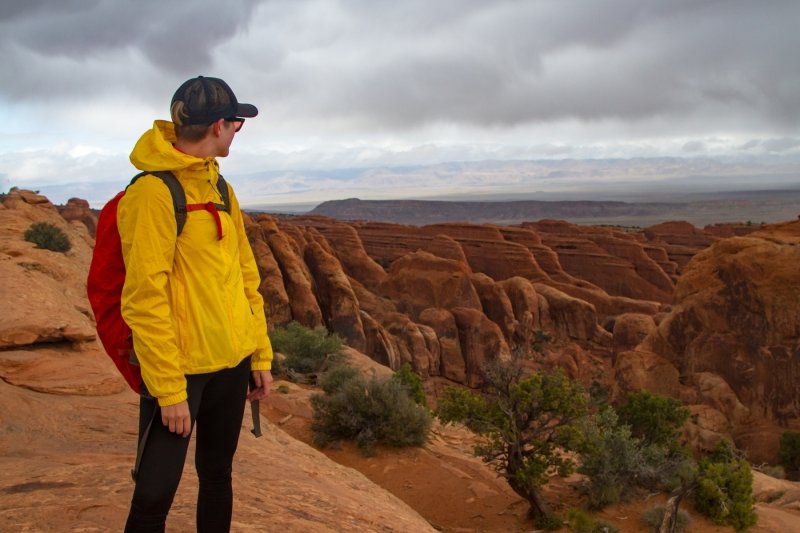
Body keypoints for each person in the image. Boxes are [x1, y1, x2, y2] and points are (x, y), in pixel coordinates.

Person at [119, 76, 273, 532]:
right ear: (219, 126)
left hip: (232, 365)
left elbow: (247, 278)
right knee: (153, 494)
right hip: (181, 371)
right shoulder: (153, 193)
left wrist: (259, 354)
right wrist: (169, 390)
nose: (236, 134)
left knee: (217, 475)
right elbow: (145, 299)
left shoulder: (221, 189)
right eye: (237, 125)